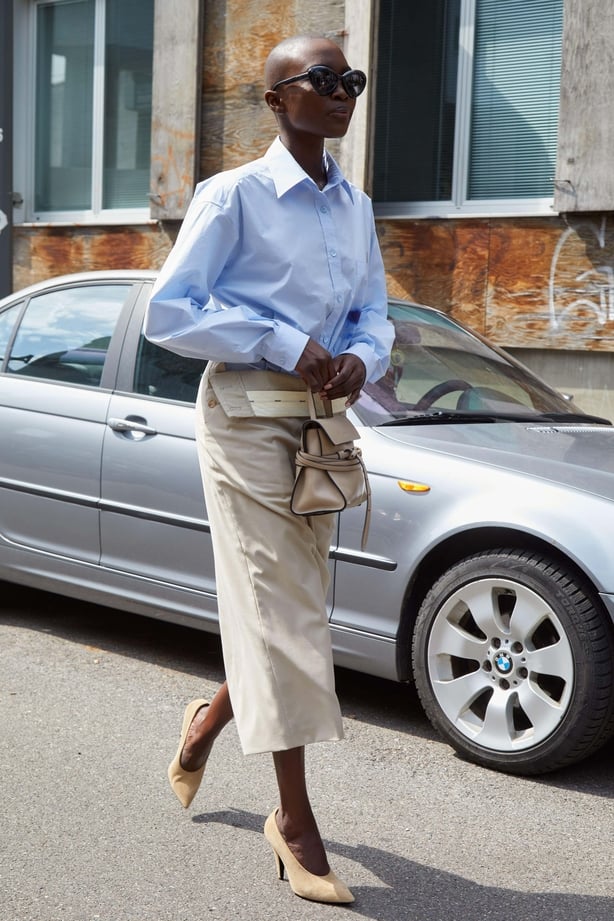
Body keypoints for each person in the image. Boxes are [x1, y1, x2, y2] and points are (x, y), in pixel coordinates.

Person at [145, 33, 394, 904]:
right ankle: (291, 822)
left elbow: (374, 309)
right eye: (322, 80)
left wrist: (364, 353)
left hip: (322, 425)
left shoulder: (354, 205)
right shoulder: (234, 196)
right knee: (283, 610)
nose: (342, 93)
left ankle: (205, 721)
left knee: (286, 605)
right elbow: (168, 312)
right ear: (278, 99)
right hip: (245, 421)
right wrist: (284, 341)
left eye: (351, 81)